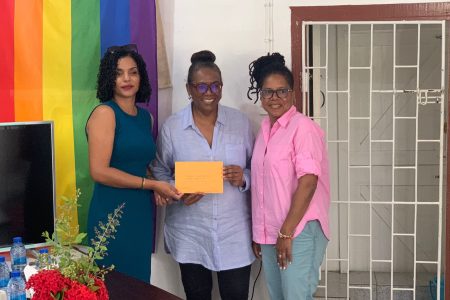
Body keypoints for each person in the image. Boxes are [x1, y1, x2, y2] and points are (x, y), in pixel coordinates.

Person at [151, 50, 254, 300]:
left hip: (234, 233)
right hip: (190, 233)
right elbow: (160, 169)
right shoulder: (173, 127)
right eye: (202, 86)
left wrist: (243, 177)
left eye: (215, 85)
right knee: (197, 295)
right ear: (189, 88)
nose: (210, 92)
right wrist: (176, 192)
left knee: (237, 295)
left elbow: (258, 168)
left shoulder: (240, 123)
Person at [86, 44, 181, 283]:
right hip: (110, 213)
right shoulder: (105, 114)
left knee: (138, 284)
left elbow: (139, 162)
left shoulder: (145, 117)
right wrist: (150, 184)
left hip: (139, 212)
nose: (127, 79)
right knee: (113, 284)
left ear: (141, 77)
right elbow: (99, 171)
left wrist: (157, 184)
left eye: (133, 72)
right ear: (110, 78)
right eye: (119, 73)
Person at [248, 53, 330, 300]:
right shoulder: (265, 130)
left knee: (296, 296)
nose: (275, 98)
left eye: (282, 91)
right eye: (268, 92)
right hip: (272, 231)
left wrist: (286, 232)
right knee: (279, 296)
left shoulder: (302, 128)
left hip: (298, 229)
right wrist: (260, 233)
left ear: (293, 94)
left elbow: (309, 182)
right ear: (260, 96)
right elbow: (264, 185)